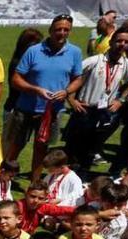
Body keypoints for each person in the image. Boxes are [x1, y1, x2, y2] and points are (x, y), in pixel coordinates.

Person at [7, 15, 83, 180]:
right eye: (58, 29)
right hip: (26, 109)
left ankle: (35, 183)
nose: (61, 33)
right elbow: (15, 79)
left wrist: (67, 91)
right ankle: (4, 179)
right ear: (50, 30)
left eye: (65, 30)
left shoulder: (75, 52)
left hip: (52, 111)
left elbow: (78, 78)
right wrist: (35, 89)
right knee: (16, 146)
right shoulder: (34, 51)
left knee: (41, 148)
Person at [65, 29, 128, 169]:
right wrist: (71, 99)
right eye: (119, 40)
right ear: (111, 42)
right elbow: (73, 77)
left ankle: (83, 176)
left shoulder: (127, 64)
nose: (122, 44)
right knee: (74, 147)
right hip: (85, 108)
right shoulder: (94, 61)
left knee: (93, 148)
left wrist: (120, 100)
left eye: (126, 42)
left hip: (104, 111)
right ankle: (65, 179)